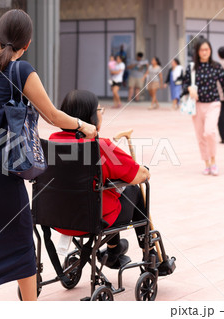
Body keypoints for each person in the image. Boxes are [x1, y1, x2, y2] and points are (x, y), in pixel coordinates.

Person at [0, 10, 97, 301]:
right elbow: (52, 115)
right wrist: (84, 125)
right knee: (21, 245)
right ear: (27, 43)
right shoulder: (22, 71)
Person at [50, 89, 154, 268]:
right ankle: (149, 253)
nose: (101, 115)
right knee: (134, 192)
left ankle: (114, 250)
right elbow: (141, 176)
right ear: (91, 118)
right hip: (94, 220)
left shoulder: (52, 142)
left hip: (58, 219)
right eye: (100, 111)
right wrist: (144, 169)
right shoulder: (100, 146)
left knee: (106, 193)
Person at [182, 38, 224, 176]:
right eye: (202, 50)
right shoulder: (192, 67)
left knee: (209, 133)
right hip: (197, 106)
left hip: (213, 104)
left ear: (210, 50)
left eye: (207, 49)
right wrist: (189, 88)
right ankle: (206, 163)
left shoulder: (216, 66)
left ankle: (213, 161)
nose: (205, 52)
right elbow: (183, 85)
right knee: (200, 136)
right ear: (197, 51)